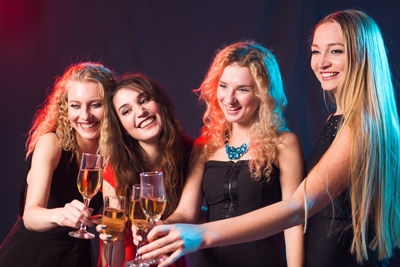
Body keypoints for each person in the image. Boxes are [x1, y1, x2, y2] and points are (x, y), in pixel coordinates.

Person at [136, 10, 400, 267]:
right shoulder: (339, 121)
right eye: (316, 51)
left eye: (336, 51)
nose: (321, 62)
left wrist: (201, 234)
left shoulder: (362, 125)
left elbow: (298, 209)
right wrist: (168, 227)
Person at [134, 41, 305, 267]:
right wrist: (160, 226)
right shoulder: (204, 146)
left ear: (263, 93)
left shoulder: (285, 143)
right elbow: (186, 214)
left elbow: (294, 220)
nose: (229, 98)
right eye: (223, 86)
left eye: (242, 89)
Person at [0, 62, 116, 267]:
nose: (85, 115)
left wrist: (110, 228)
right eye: (76, 105)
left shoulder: (113, 154)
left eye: (96, 104)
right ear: (64, 107)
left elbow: (113, 228)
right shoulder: (51, 143)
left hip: (76, 257)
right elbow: (30, 216)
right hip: (32, 256)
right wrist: (59, 215)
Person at [97, 73, 193, 267]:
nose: (140, 112)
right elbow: (111, 256)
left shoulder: (190, 152)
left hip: (169, 260)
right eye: (126, 111)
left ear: (160, 103)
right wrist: (110, 237)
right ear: (121, 127)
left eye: (144, 100)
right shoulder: (114, 168)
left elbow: (193, 213)